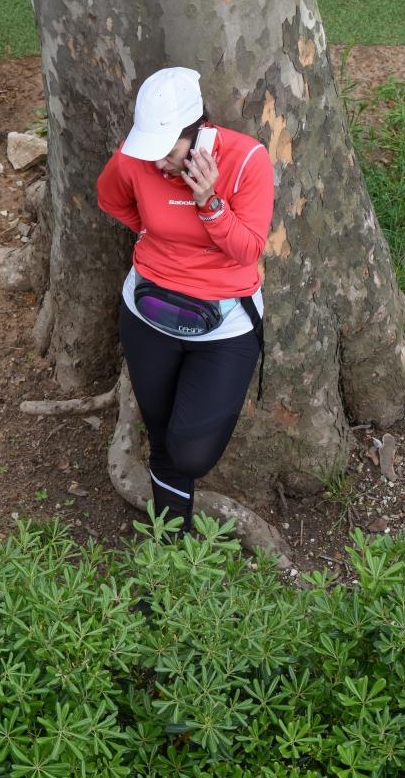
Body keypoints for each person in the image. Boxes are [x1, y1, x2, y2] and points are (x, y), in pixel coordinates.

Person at [96, 67, 274, 535]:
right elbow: (111, 198)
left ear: (197, 133)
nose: (158, 164)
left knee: (189, 452)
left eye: (169, 152)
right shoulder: (138, 157)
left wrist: (209, 202)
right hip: (148, 313)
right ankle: (169, 552)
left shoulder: (245, 160)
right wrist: (154, 234)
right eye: (151, 151)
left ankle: (176, 526)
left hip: (224, 326)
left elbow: (249, 250)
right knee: (161, 439)